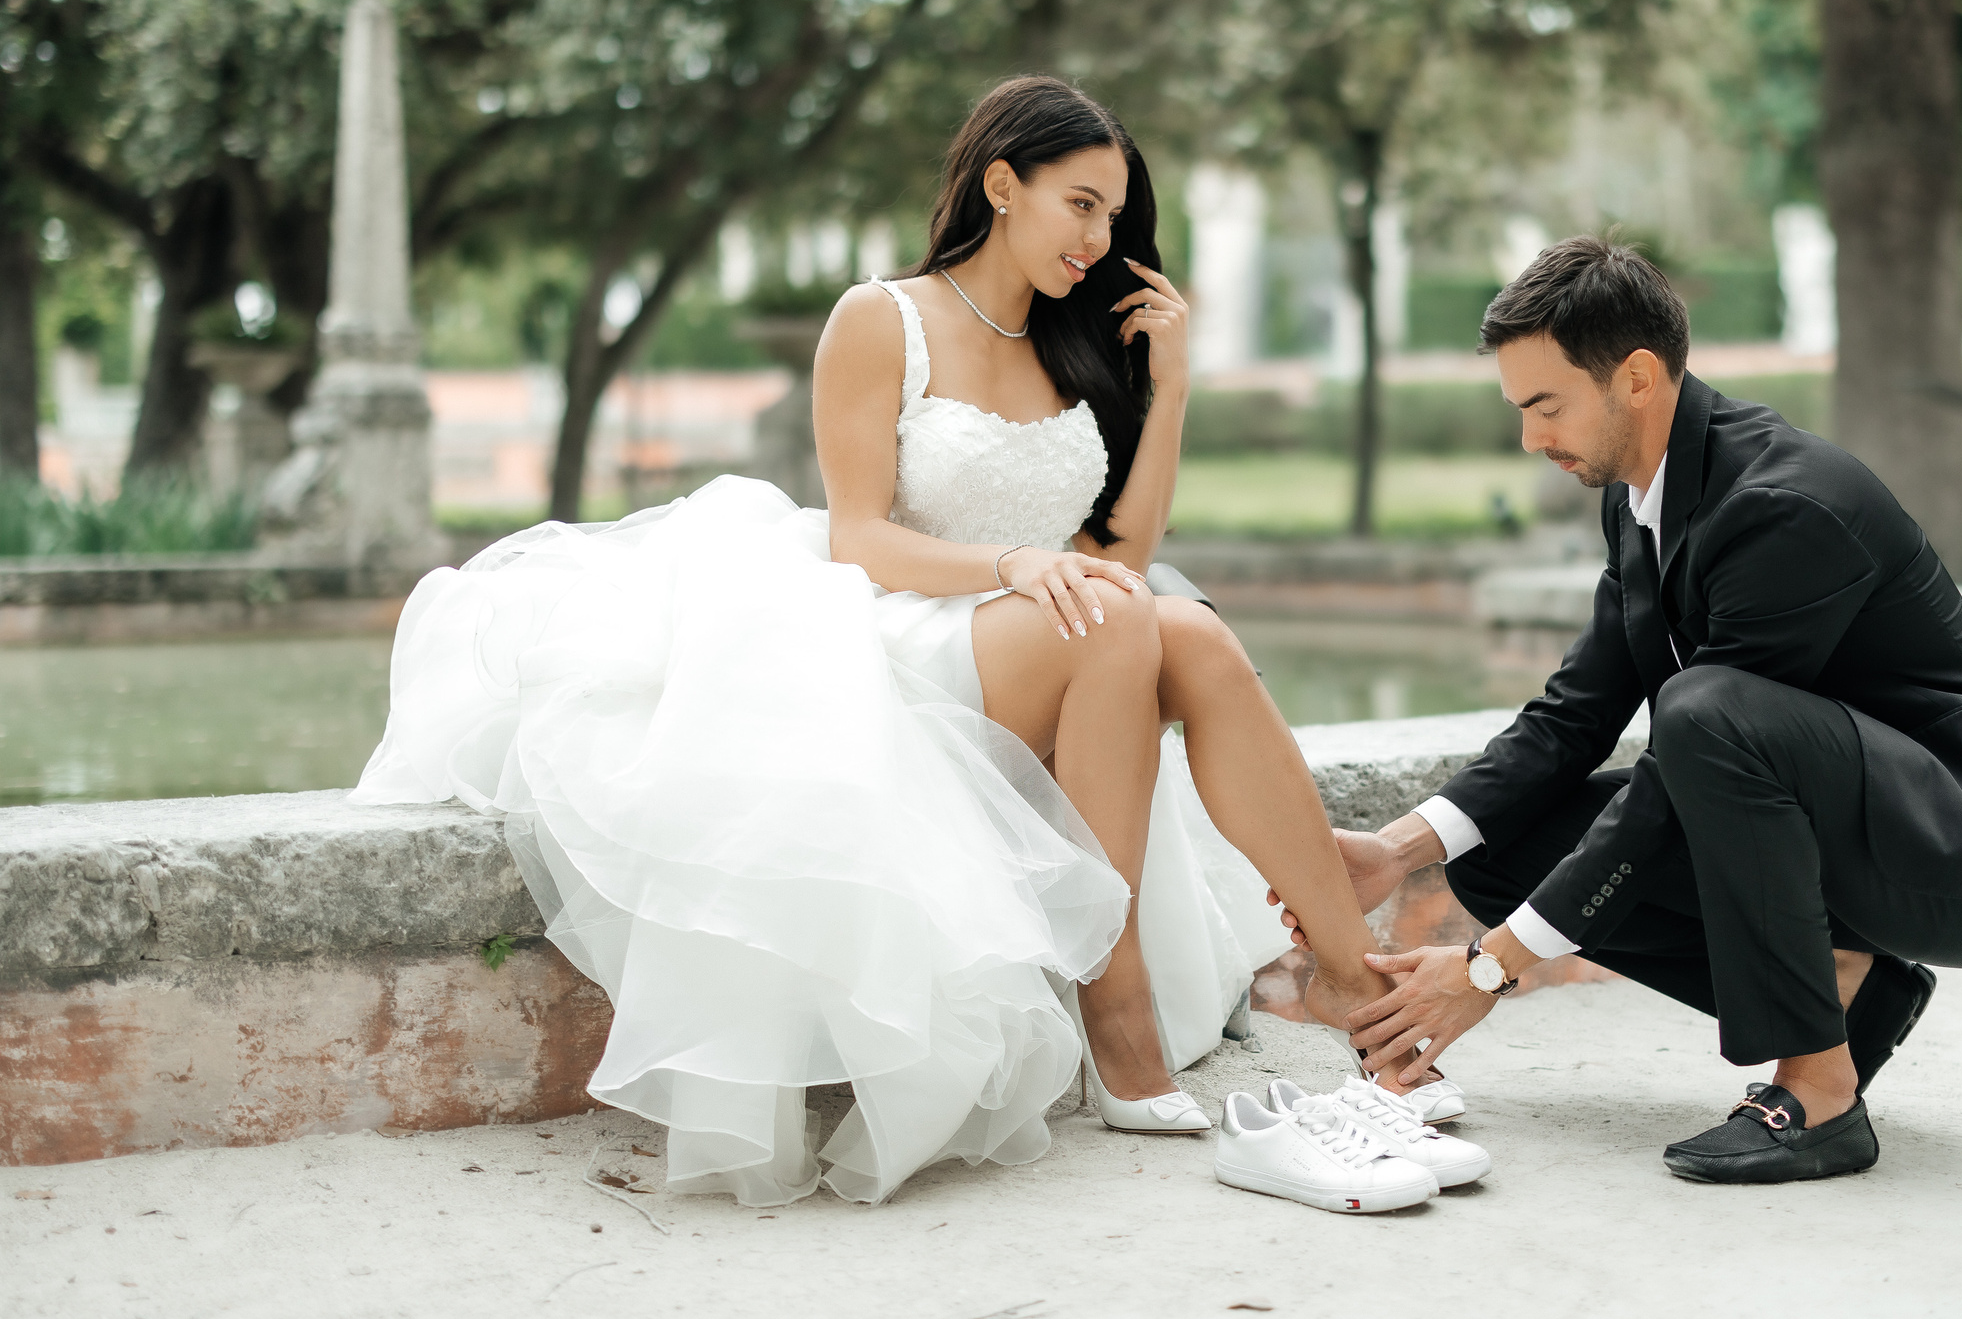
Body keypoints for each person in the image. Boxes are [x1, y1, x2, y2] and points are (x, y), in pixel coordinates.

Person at [351, 75, 1430, 1206]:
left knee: (1192, 636)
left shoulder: (1074, 339)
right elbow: (859, 538)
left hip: (1056, 627)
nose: (1099, 237)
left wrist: (1165, 392)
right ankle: (1116, 1005)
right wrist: (1011, 564)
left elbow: (1121, 550)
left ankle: (1358, 989)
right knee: (1117, 615)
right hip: (904, 636)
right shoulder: (884, 318)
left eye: (1114, 215)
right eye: (1080, 204)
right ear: (1002, 184)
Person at [1288, 236, 1962, 1183]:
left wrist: (1491, 966)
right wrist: (1401, 849)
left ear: (1638, 377)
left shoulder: (1784, 505)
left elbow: (1682, 770)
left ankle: (1820, 1096)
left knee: (1704, 711)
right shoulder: (1642, 496)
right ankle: (1849, 995)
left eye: (1545, 405)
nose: (1530, 439)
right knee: (1499, 846)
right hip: (1853, 820)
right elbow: (1575, 712)